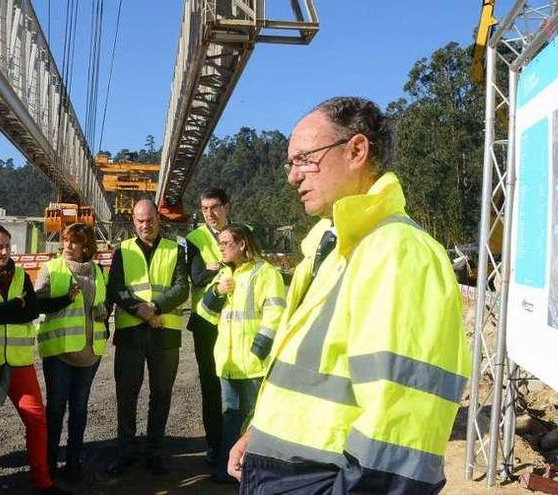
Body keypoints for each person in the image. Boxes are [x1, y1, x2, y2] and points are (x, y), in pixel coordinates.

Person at [227, 97, 471, 493]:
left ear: (356, 150)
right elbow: (308, 379)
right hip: (284, 471)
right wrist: (259, 433)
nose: (292, 176)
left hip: (318, 478)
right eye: (290, 163)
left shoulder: (398, 251)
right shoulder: (326, 250)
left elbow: (400, 431)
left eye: (305, 158)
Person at [0, 225, 71, 495]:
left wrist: (10, 310)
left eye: (7, 245)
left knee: (36, 420)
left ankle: (43, 482)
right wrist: (14, 308)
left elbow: (30, 311)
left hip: (19, 361)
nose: (5, 251)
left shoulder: (20, 275)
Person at [195, 224, 285, 483]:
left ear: (242, 244)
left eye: (226, 243)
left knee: (256, 419)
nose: (221, 247)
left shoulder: (265, 273)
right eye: (220, 243)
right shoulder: (223, 275)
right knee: (232, 418)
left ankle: (256, 475)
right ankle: (228, 471)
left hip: (254, 364)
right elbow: (204, 313)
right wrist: (217, 292)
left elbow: (275, 313)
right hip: (228, 363)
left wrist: (260, 350)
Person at [106, 199, 189, 476]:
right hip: (131, 333)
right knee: (126, 395)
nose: (145, 225)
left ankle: (155, 451)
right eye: (140, 220)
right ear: (133, 221)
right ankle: (125, 451)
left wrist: (155, 307)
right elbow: (116, 288)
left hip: (164, 333)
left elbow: (181, 288)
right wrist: (139, 309)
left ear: (158, 219)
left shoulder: (175, 250)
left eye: (150, 219)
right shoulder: (122, 251)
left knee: (161, 394)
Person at [36, 223, 108, 482]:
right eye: (66, 240)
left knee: (79, 409)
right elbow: (38, 302)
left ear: (87, 246)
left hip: (90, 352)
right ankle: (48, 463)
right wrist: (64, 298)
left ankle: (74, 462)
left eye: (75, 242)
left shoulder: (98, 272)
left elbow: (102, 302)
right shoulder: (52, 268)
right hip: (60, 352)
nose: (68, 246)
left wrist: (103, 310)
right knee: (55, 409)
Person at [184, 187, 230, 465]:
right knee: (210, 387)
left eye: (214, 207)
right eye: (204, 209)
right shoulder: (195, 238)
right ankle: (214, 446)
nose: (210, 214)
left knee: (240, 386)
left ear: (227, 207)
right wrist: (224, 263)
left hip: (238, 321)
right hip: (207, 322)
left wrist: (215, 265)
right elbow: (198, 277)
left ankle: (239, 444)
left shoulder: (244, 231)